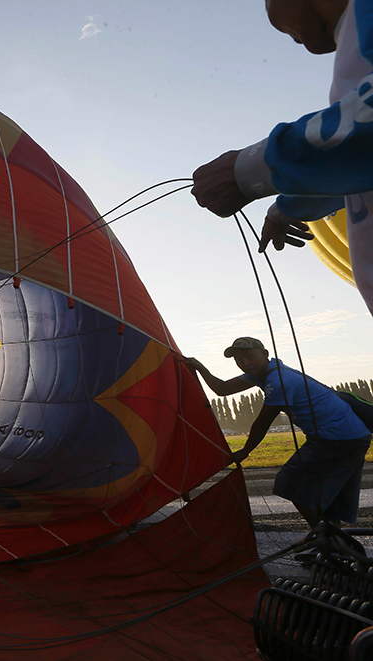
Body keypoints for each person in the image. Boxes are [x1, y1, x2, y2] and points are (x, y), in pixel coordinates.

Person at [190, 0, 373, 317]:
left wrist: (246, 171)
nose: (296, 41)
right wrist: (283, 210)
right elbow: (359, 165)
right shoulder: (353, 32)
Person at [184, 337, 371, 528]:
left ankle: (327, 539)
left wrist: (245, 451)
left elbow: (262, 422)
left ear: (265, 354)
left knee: (291, 484)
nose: (245, 364)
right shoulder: (261, 374)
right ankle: (334, 544)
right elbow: (223, 389)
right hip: (348, 436)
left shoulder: (279, 380)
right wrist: (200, 367)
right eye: (239, 360)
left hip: (337, 438)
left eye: (249, 357)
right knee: (325, 495)